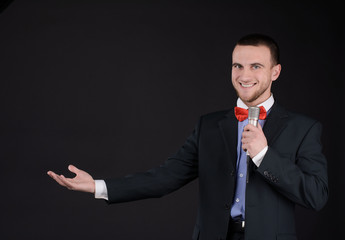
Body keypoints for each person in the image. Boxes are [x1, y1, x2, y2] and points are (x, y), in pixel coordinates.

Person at [47, 33, 328, 240]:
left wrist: (264, 156)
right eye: (237, 66)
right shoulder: (210, 125)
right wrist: (97, 186)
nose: (244, 75)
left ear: (275, 72)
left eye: (256, 66)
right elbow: (165, 177)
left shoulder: (303, 128)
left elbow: (316, 195)